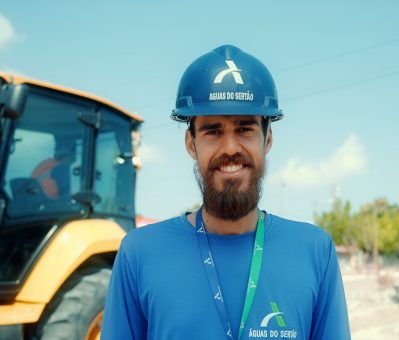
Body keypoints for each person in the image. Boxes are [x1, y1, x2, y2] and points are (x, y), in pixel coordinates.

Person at [102, 45, 351, 340]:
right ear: (191, 144)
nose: (231, 147)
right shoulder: (139, 254)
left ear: (267, 139)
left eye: (245, 129)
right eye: (213, 131)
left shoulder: (314, 252)